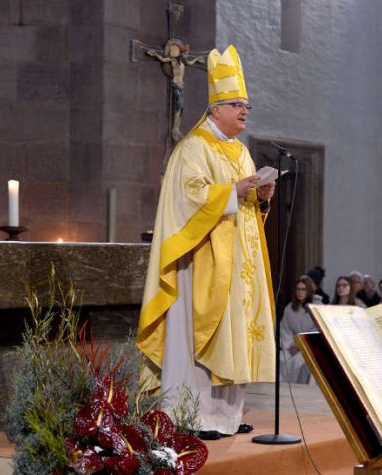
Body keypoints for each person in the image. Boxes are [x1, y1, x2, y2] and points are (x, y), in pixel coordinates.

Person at [137, 45, 276, 440]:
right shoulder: (193, 148)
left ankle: (226, 417)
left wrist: (259, 198)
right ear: (215, 109)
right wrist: (233, 191)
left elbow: (244, 204)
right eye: (236, 104)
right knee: (201, 337)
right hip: (202, 264)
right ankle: (192, 415)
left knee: (236, 338)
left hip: (239, 267)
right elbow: (188, 197)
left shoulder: (242, 152)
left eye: (246, 105)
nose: (244, 111)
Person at [280, 276, 318, 384]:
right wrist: (290, 346)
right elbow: (285, 329)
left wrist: (300, 346)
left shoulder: (315, 308)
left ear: (309, 291)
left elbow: (316, 331)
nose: (300, 292)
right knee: (282, 359)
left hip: (309, 348)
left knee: (299, 362)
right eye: (298, 289)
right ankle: (285, 390)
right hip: (292, 346)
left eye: (303, 289)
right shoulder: (289, 308)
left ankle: (300, 391)